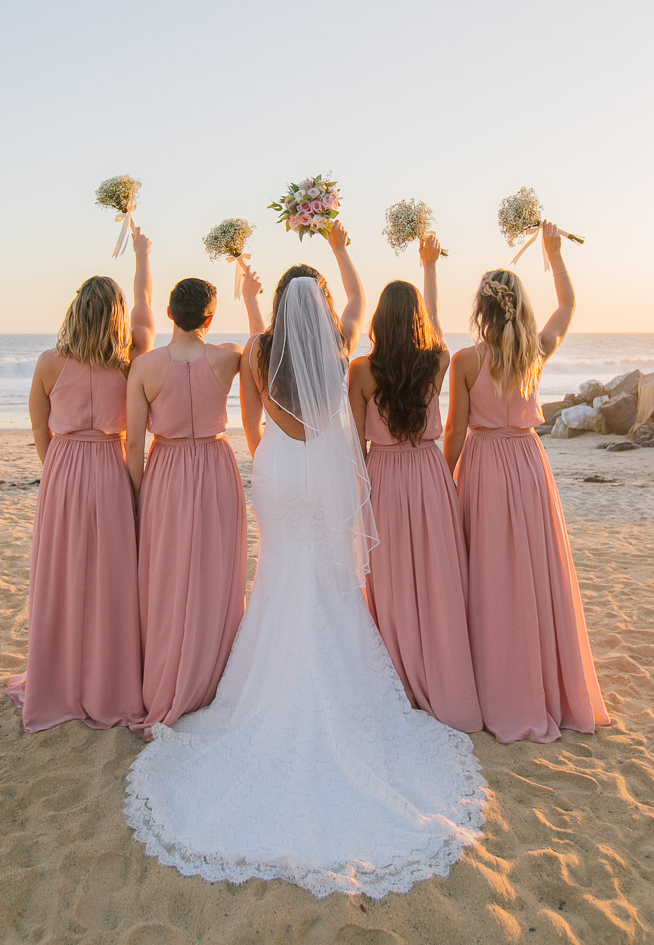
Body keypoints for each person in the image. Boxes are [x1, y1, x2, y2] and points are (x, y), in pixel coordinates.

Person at [124, 224, 486, 898]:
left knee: (279, 576)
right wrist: (339, 243)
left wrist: (271, 448)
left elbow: (252, 420)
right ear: (317, 308)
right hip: (320, 471)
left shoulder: (258, 350)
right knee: (326, 576)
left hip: (278, 469)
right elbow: (354, 299)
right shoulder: (343, 349)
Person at [444, 221, 610, 744]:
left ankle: (500, 684)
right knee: (535, 572)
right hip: (529, 464)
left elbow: (453, 429)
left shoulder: (467, 360)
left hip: (486, 465)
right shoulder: (535, 349)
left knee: (492, 574)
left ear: (482, 311)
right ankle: (543, 684)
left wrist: (447, 481)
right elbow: (568, 305)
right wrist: (554, 254)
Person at [7, 227, 155, 731]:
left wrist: (55, 470)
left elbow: (37, 423)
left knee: (63, 576)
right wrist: (141, 256)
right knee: (113, 578)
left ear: (73, 313)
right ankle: (108, 683)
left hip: (65, 468)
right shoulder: (130, 360)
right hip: (111, 468)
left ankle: (61, 681)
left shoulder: (50, 362)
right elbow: (145, 307)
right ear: (115, 317)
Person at [348, 234, 481, 732]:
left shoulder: (362, 370)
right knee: (436, 576)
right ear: (418, 321)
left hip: (382, 474)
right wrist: (429, 267)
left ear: (379, 321)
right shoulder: (438, 360)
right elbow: (438, 323)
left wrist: (358, 484)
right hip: (428, 472)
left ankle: (398, 676)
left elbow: (351, 442)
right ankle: (440, 674)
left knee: (392, 580)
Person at [127, 266, 264, 740]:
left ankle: (167, 674)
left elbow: (131, 447)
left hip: (166, 470)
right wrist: (250, 297)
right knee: (217, 571)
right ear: (209, 317)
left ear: (170, 313)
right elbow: (263, 350)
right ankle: (214, 676)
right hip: (215, 466)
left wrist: (139, 497)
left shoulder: (144, 367)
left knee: (166, 576)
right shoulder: (229, 357)